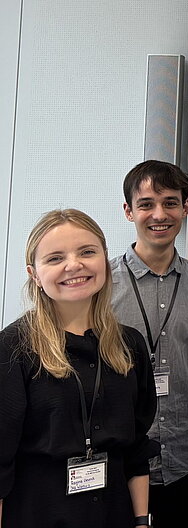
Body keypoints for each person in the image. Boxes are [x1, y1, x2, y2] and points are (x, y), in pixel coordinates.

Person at [0, 209, 156, 528]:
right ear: (34, 274)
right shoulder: (13, 348)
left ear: (104, 260)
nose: (74, 265)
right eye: (55, 258)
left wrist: (142, 522)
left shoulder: (130, 345)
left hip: (114, 516)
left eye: (87, 252)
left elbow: (136, 449)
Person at [112, 160, 188, 526]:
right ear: (128, 211)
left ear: (185, 207)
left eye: (170, 202)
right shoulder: (102, 284)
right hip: (120, 466)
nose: (159, 214)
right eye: (146, 204)